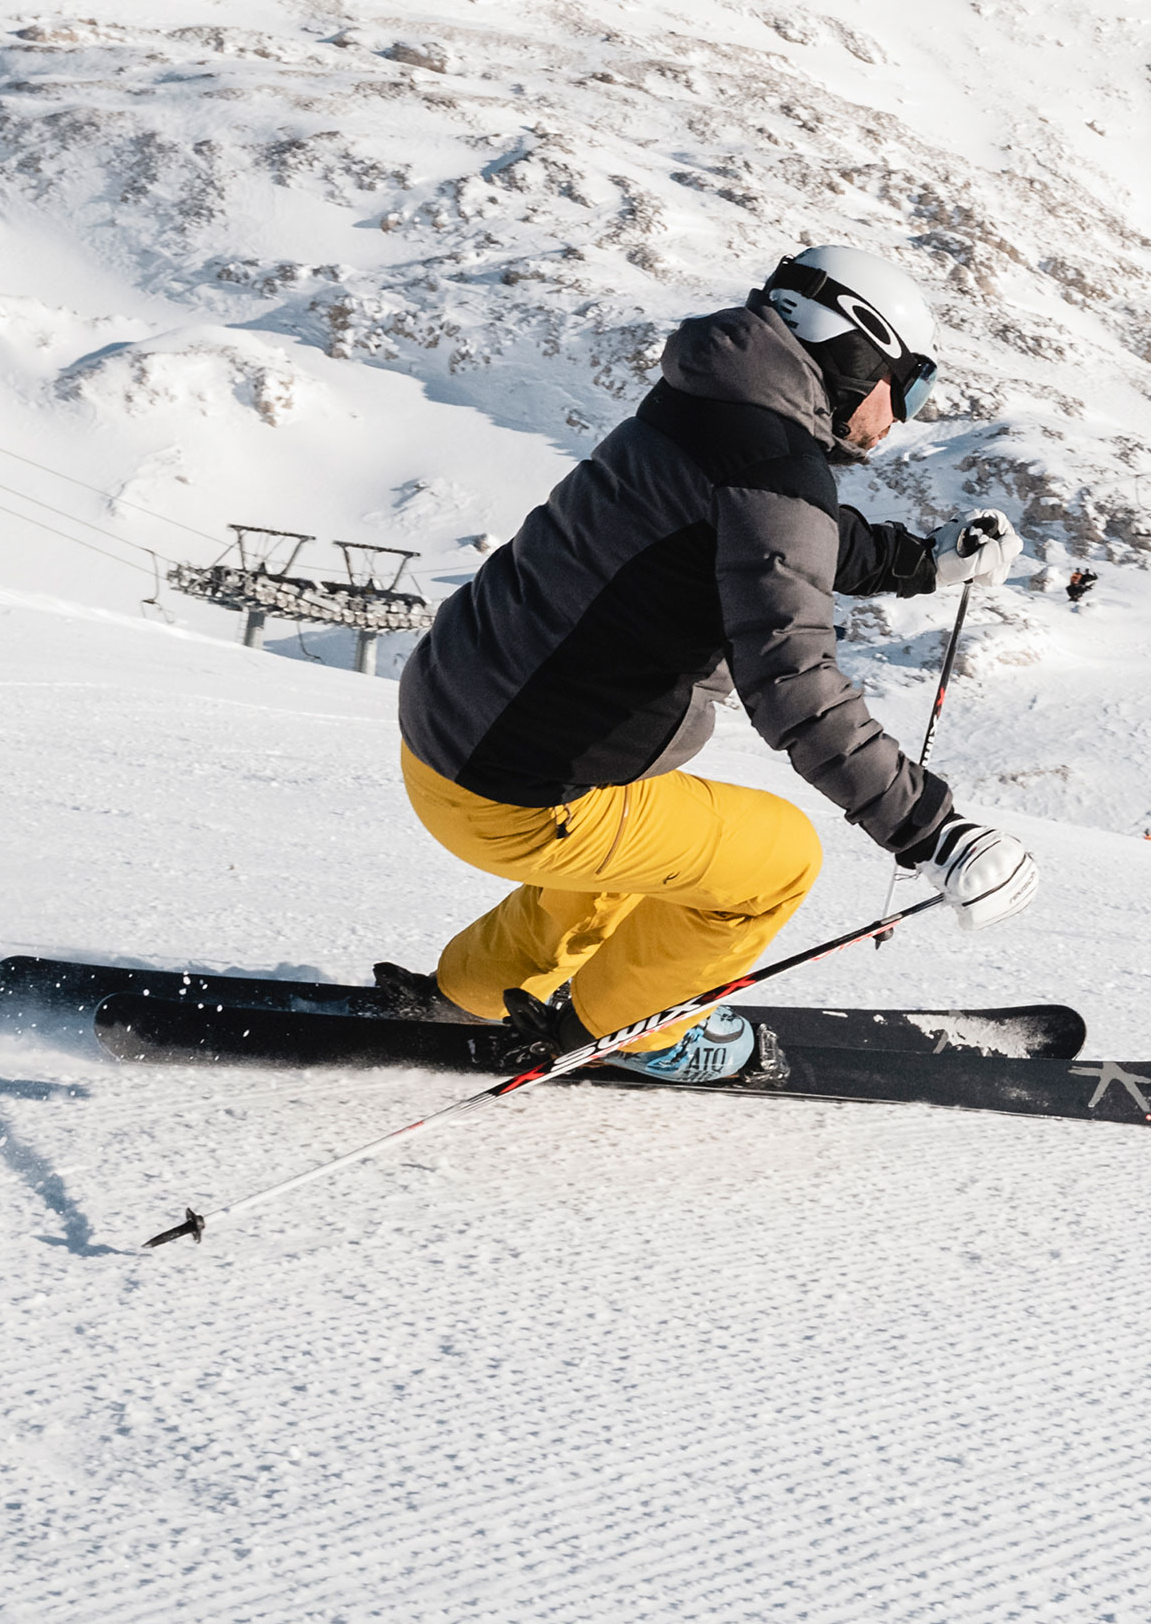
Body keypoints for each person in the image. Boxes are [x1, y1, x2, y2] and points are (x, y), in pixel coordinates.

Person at [383, 244, 1039, 1084]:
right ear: (857, 351)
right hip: (515, 790)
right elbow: (793, 676)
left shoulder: (707, 398)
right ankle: (637, 1031)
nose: (900, 417)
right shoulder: (772, 463)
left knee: (650, 837)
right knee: (777, 860)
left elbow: (776, 537)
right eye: (908, 386)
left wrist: (926, 563)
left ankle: (477, 989)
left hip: (446, 727)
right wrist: (932, 832)